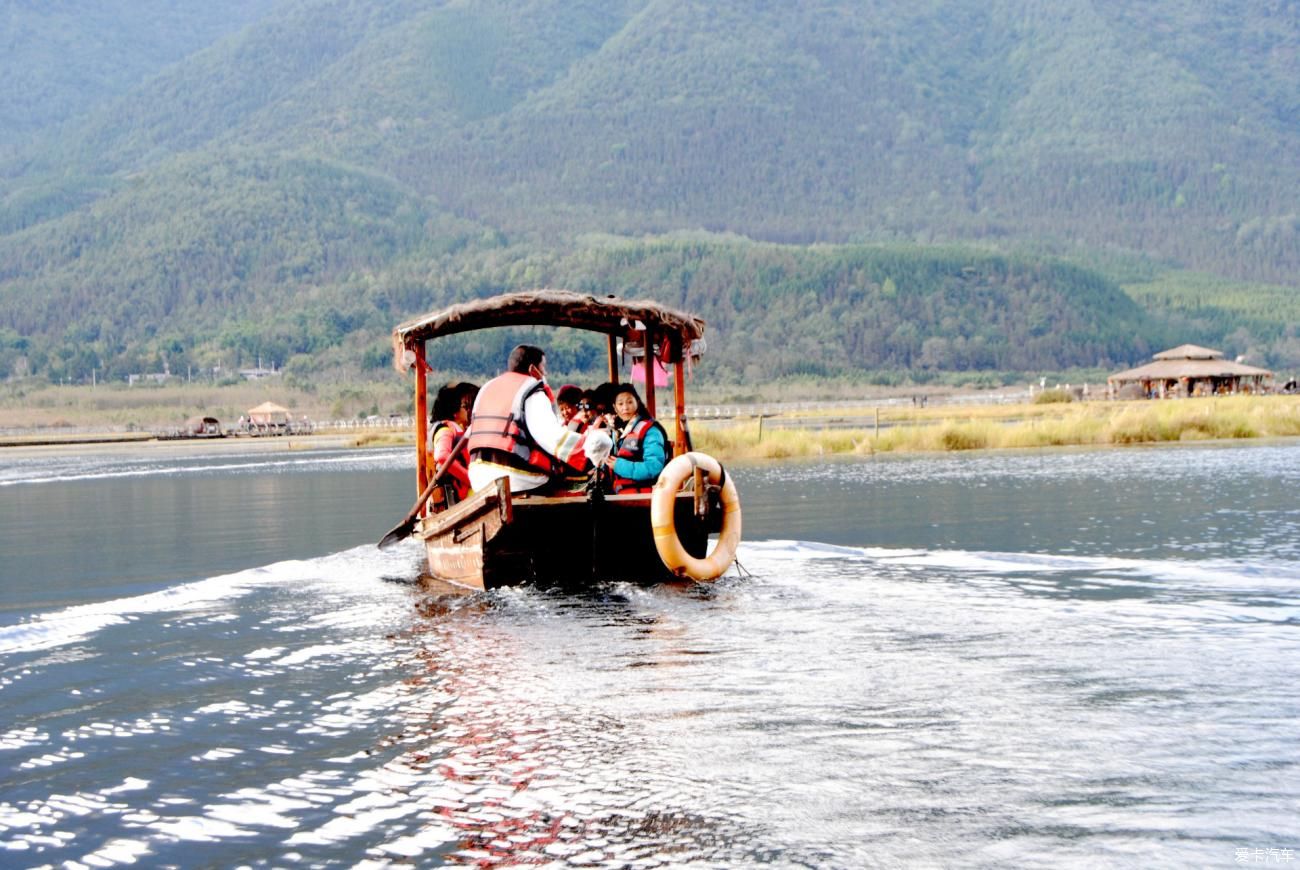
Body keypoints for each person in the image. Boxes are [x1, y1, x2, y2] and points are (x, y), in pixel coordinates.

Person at [466, 345, 612, 496]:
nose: (545, 373)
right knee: (575, 486)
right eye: (544, 367)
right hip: (516, 478)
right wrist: (591, 449)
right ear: (532, 369)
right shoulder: (531, 391)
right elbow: (552, 438)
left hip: (478, 478)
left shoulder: (487, 388)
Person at [602, 383, 668, 493]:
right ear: (615, 407)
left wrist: (619, 465)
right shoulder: (619, 431)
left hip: (645, 495)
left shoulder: (651, 431)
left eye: (629, 402)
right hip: (620, 492)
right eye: (620, 404)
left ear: (637, 402)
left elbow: (654, 467)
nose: (625, 407)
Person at [428, 382, 477, 503]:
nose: (468, 411)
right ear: (454, 410)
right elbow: (442, 456)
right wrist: (470, 479)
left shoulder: (458, 429)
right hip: (463, 495)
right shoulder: (445, 430)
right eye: (465, 407)